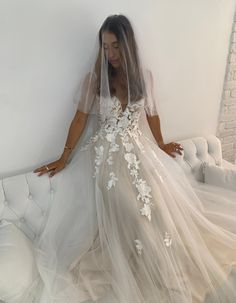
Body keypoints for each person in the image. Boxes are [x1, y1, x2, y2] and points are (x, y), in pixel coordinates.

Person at [30, 14, 236, 303]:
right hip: (106, 160)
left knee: (161, 213)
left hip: (140, 154)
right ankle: (156, 272)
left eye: (116, 46)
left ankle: (169, 268)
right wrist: (64, 158)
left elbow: (152, 115)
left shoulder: (143, 77)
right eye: (105, 47)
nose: (111, 54)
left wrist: (161, 143)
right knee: (134, 213)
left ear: (128, 45)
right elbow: (79, 120)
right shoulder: (94, 79)